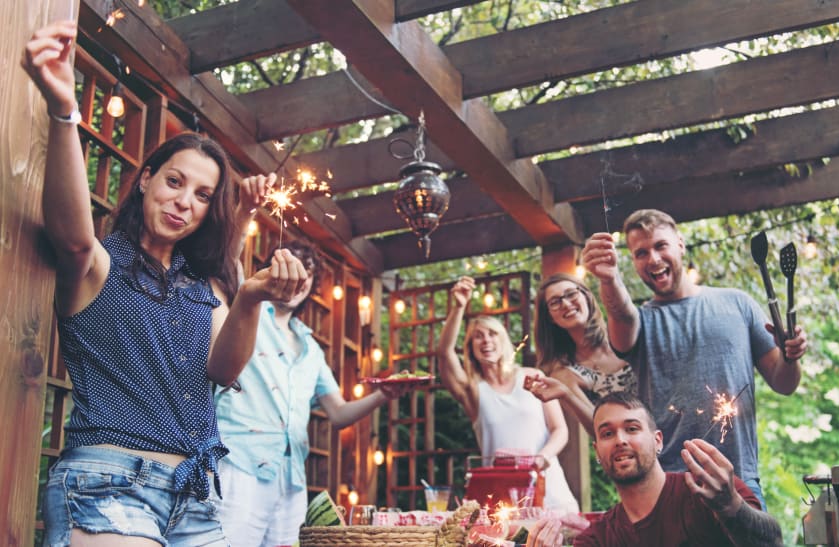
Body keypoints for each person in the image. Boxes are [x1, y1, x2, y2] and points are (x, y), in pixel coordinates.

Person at [23, 21, 308, 546]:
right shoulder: (101, 263)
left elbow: (223, 368)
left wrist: (250, 297)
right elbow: (72, 236)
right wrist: (65, 114)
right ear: (147, 178)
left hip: (193, 496)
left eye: (202, 195)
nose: (184, 201)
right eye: (175, 181)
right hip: (107, 485)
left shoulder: (204, 288)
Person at [580, 209, 808, 508]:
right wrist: (608, 279)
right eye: (641, 253)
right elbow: (621, 313)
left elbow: (783, 383)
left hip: (738, 479)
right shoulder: (639, 321)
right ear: (633, 262)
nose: (653, 259)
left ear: (680, 244)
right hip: (669, 486)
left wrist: (791, 358)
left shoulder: (737, 303)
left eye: (661, 246)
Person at [214, 238, 414, 547]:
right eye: (292, 266)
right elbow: (228, 258)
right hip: (239, 464)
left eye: (307, 273)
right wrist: (248, 208)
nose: (299, 277)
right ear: (273, 270)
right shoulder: (246, 309)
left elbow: (338, 412)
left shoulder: (312, 348)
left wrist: (384, 395)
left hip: (292, 479)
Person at [527, 392, 783, 547]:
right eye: (607, 433)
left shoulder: (710, 493)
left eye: (632, 428)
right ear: (597, 451)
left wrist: (731, 508)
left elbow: (772, 543)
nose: (620, 440)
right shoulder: (598, 538)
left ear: (657, 440)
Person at [436, 276, 579, 512]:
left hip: (551, 489)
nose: (486, 341)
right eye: (477, 337)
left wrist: (540, 459)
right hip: (501, 500)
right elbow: (444, 353)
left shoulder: (532, 376)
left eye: (492, 334)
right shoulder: (472, 391)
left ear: (503, 339)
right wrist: (459, 307)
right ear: (470, 349)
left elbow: (560, 430)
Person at [526, 273, 638, 435]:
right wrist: (566, 395)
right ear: (550, 317)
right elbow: (597, 429)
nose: (565, 303)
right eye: (555, 302)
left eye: (571, 294)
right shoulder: (565, 372)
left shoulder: (623, 335)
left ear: (586, 296)